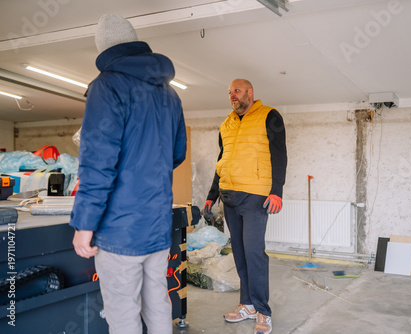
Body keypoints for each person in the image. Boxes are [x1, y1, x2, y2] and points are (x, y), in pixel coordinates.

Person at [69, 14, 187, 334]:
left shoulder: (106, 86)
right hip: (157, 225)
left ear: (104, 49)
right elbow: (176, 154)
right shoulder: (170, 93)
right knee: (157, 303)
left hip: (120, 229)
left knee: (123, 313)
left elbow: (97, 163)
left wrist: (84, 224)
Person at [204, 79, 287, 334]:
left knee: (254, 253)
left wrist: (276, 192)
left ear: (250, 92)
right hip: (229, 197)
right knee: (239, 253)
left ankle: (263, 311)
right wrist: (212, 194)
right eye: (230, 92)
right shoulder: (226, 124)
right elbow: (222, 161)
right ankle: (247, 304)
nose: (232, 96)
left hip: (255, 197)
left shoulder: (269, 116)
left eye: (236, 91)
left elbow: (279, 155)